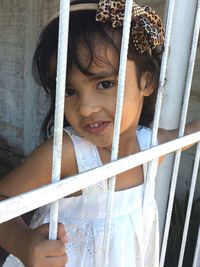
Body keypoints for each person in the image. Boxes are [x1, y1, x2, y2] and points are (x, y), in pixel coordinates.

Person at [0, 1, 199, 266]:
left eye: (104, 83)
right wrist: (22, 242)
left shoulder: (151, 147)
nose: (85, 108)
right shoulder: (68, 153)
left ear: (147, 82)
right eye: (69, 91)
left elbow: (186, 135)